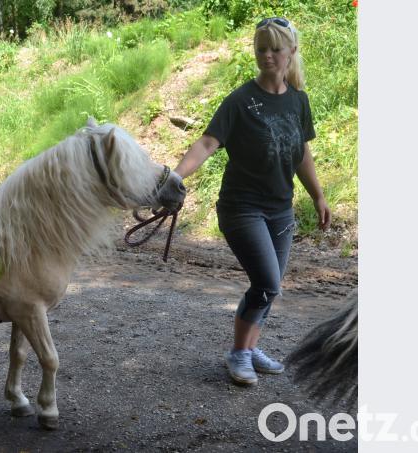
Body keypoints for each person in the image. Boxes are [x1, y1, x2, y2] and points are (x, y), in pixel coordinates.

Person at [173, 17, 331, 385]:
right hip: (242, 208)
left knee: (268, 287)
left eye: (276, 49)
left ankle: (249, 347)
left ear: (291, 52)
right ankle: (238, 354)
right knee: (267, 283)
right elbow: (208, 143)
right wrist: (175, 176)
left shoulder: (298, 101)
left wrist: (318, 194)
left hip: (281, 209)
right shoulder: (240, 101)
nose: (268, 56)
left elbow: (302, 152)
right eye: (262, 48)